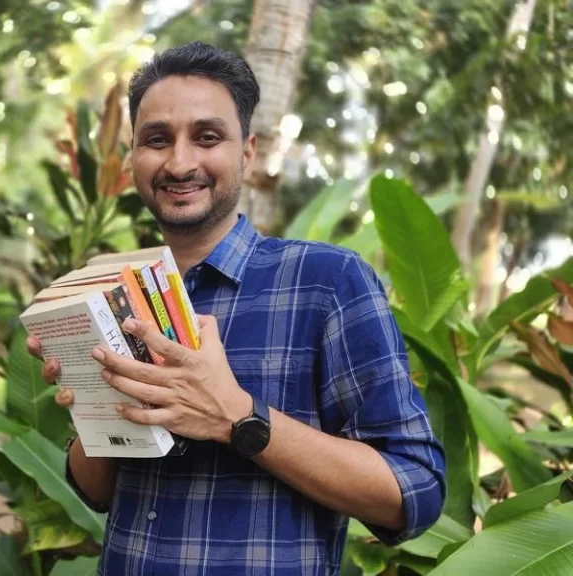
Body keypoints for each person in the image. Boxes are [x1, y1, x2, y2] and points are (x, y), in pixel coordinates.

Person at [26, 42, 446, 575]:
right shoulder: (117, 292)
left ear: (246, 151)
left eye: (207, 137)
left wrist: (238, 418)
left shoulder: (327, 281)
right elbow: (98, 493)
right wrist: (100, 402)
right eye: (157, 140)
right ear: (132, 156)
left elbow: (415, 492)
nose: (179, 162)